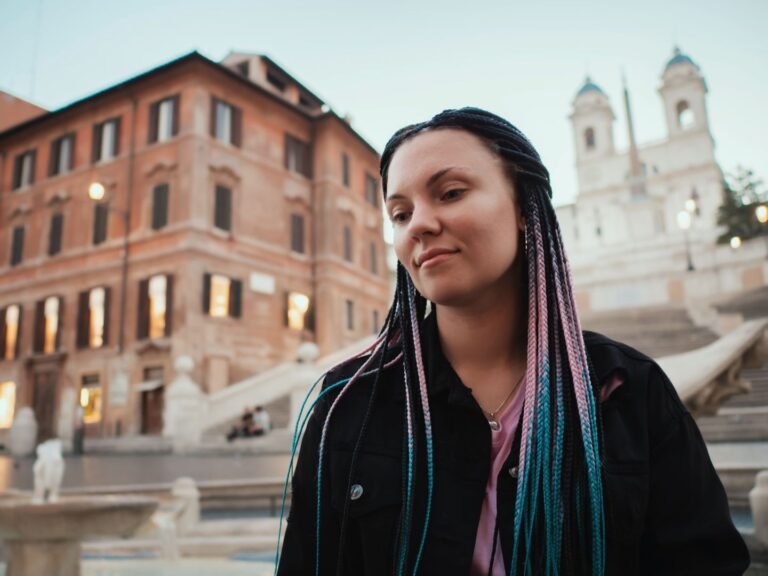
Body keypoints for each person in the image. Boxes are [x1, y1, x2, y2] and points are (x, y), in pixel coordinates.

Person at [276, 108, 750, 575]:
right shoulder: (347, 407)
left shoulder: (630, 391)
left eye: (451, 192)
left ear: (525, 209)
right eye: (400, 213)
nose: (418, 223)